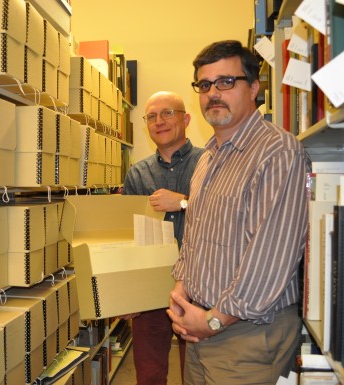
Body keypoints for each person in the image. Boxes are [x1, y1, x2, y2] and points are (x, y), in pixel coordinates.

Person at [166, 40, 309, 385]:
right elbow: (196, 233)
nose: (213, 93)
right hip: (200, 330)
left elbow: (272, 257)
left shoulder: (278, 151)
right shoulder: (208, 157)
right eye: (205, 85)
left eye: (226, 82)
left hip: (247, 337)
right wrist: (183, 289)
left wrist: (215, 320)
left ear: (254, 88)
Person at [122, 91, 205, 385]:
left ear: (186, 118)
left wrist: (182, 202)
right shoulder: (137, 173)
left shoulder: (209, 163)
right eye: (152, 117)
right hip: (150, 290)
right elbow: (127, 234)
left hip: (200, 288)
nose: (160, 122)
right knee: (149, 374)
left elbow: (226, 218)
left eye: (168, 113)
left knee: (196, 373)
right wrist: (128, 292)